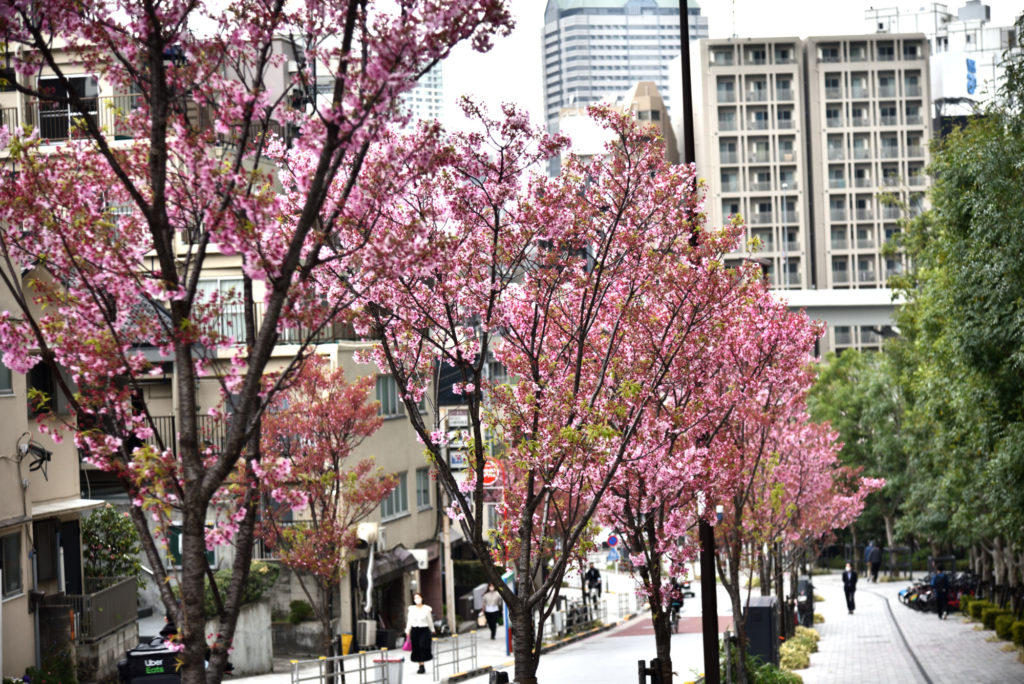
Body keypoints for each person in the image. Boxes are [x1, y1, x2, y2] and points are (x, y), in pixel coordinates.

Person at [405, 592, 434, 674]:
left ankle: (423, 662)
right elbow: (409, 620)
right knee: (417, 648)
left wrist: (432, 629)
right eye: (415, 598)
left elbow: (429, 620)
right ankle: (421, 666)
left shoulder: (427, 609)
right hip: (415, 630)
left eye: (418, 597)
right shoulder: (411, 609)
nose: (417, 599)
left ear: (422, 598)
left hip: (424, 630)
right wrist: (407, 630)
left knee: (422, 646)